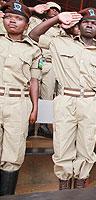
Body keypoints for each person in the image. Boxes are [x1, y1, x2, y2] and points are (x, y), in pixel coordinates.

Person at [29, 8, 96, 189]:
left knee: (86, 150)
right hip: (66, 100)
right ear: (79, 25)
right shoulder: (60, 43)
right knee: (62, 150)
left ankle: (80, 190)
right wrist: (57, 18)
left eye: (93, 23)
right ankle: (64, 191)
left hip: (91, 103)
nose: (89, 25)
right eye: (85, 22)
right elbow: (33, 35)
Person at [0, 1, 41, 195]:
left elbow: (34, 80)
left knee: (13, 153)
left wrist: (34, 108)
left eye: (18, 19)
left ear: (27, 24)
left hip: (19, 102)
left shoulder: (33, 49)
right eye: (9, 17)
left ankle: (6, 196)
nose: (13, 22)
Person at [28, 1, 62, 138]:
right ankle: (29, 124)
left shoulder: (61, 28)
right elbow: (20, 14)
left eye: (57, 10)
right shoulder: (34, 21)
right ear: (46, 10)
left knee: (47, 96)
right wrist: (33, 9)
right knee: (31, 93)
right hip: (34, 62)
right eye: (51, 9)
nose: (54, 11)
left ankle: (43, 126)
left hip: (50, 63)